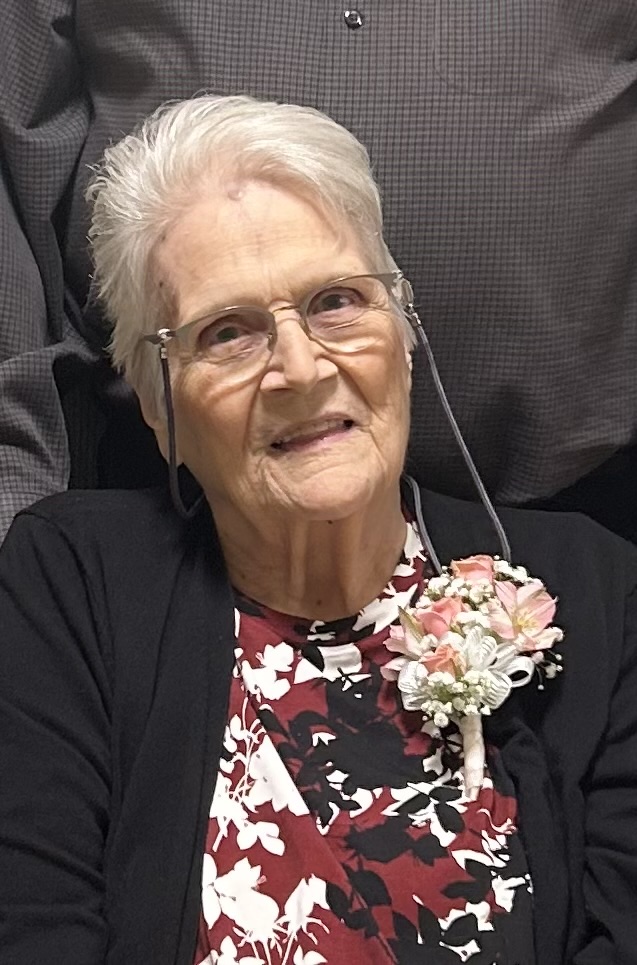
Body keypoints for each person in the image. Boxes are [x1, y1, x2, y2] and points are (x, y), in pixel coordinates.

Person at [1, 94, 636, 965]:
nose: (300, 369)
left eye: (336, 301)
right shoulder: (71, 583)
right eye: (228, 332)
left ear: (403, 332)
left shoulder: (599, 590)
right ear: (156, 403)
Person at [1, 1, 637, 543]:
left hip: (587, 503)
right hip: (172, 512)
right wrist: (18, 533)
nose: (305, 370)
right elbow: (14, 190)